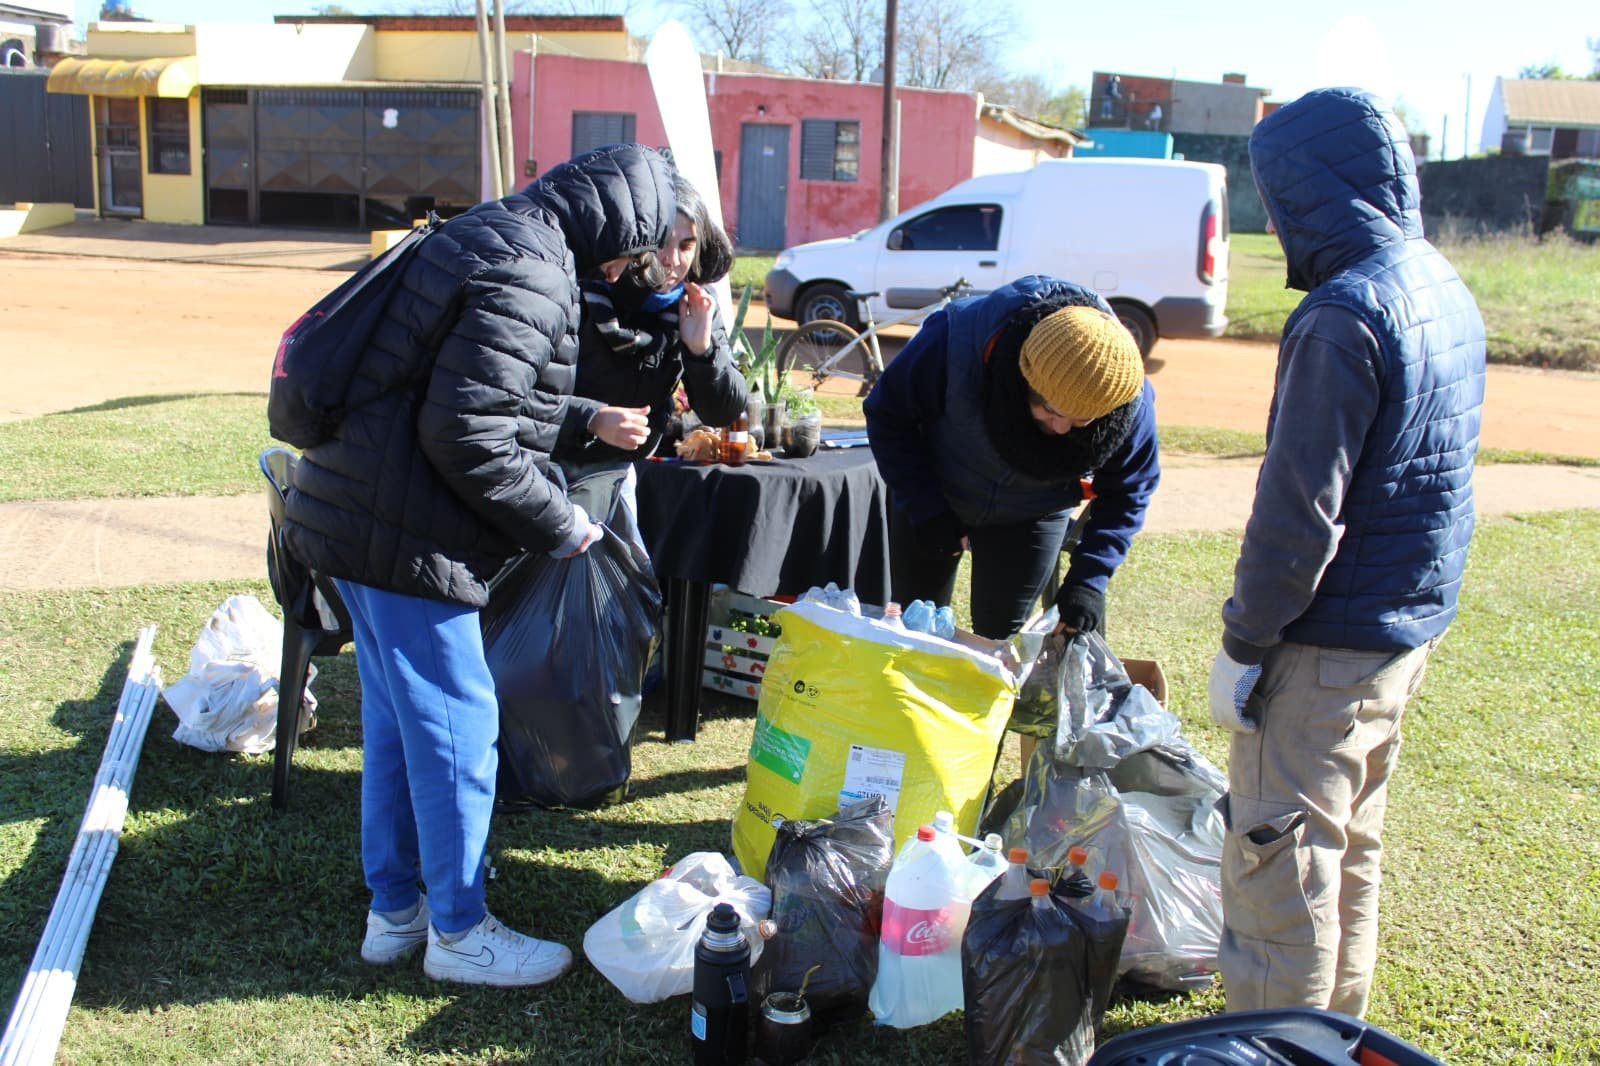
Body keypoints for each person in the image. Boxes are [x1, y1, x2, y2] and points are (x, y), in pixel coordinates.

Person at [282, 143, 677, 988]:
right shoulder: (536, 268)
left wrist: (582, 415)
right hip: (407, 536)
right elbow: (466, 432)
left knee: (399, 726)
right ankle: (460, 932)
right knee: (460, 730)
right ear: (616, 227)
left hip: (357, 514)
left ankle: (396, 911)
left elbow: (459, 382)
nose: (624, 270)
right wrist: (561, 523)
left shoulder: (491, 231)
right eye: (634, 251)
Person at [1207, 88, 1486, 1017]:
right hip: (1403, 633)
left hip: (1327, 648)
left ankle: (1274, 1045)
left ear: (1304, 194)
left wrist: (1244, 644)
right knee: (1348, 845)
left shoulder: (1343, 315)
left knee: (1277, 875)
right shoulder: (1438, 282)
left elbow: (1297, 519)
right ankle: (1333, 1034)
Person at [863, 274, 1160, 640]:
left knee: (1001, 637)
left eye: (1082, 421)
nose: (1062, 429)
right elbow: (888, 415)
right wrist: (926, 507)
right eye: (1051, 410)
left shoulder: (1128, 402)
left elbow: (1129, 490)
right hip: (935, 488)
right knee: (914, 626)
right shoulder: (956, 338)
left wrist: (1089, 580)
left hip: (1032, 512)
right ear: (1024, 378)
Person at [554, 172, 746, 526]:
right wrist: (591, 418)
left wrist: (701, 350)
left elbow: (724, 411)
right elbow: (515, 397)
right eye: (660, 243)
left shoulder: (695, 305)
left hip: (622, 475)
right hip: (545, 474)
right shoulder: (575, 291)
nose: (672, 260)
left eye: (686, 246)